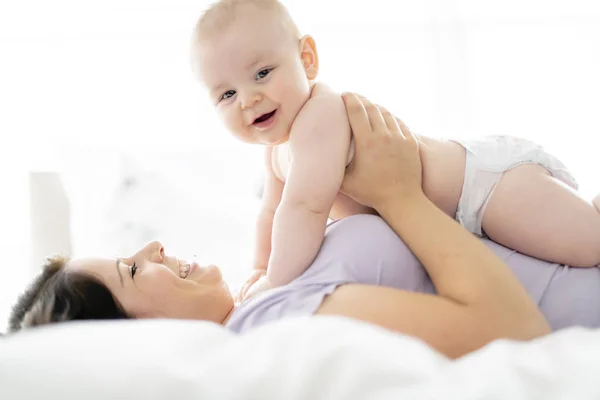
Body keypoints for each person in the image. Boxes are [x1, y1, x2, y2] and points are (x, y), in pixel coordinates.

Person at [9, 94, 600, 359]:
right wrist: (398, 196)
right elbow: (511, 327)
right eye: (132, 269)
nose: (155, 246)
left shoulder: (260, 294)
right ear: (136, 337)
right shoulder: (274, 326)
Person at [190, 0, 600, 301]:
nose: (249, 99)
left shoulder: (319, 116)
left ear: (307, 60)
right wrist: (259, 266)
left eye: (262, 73)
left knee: (589, 244)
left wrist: (273, 282)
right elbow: (271, 214)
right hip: (455, 222)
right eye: (227, 93)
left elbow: (303, 210)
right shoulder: (276, 152)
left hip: (485, 187)